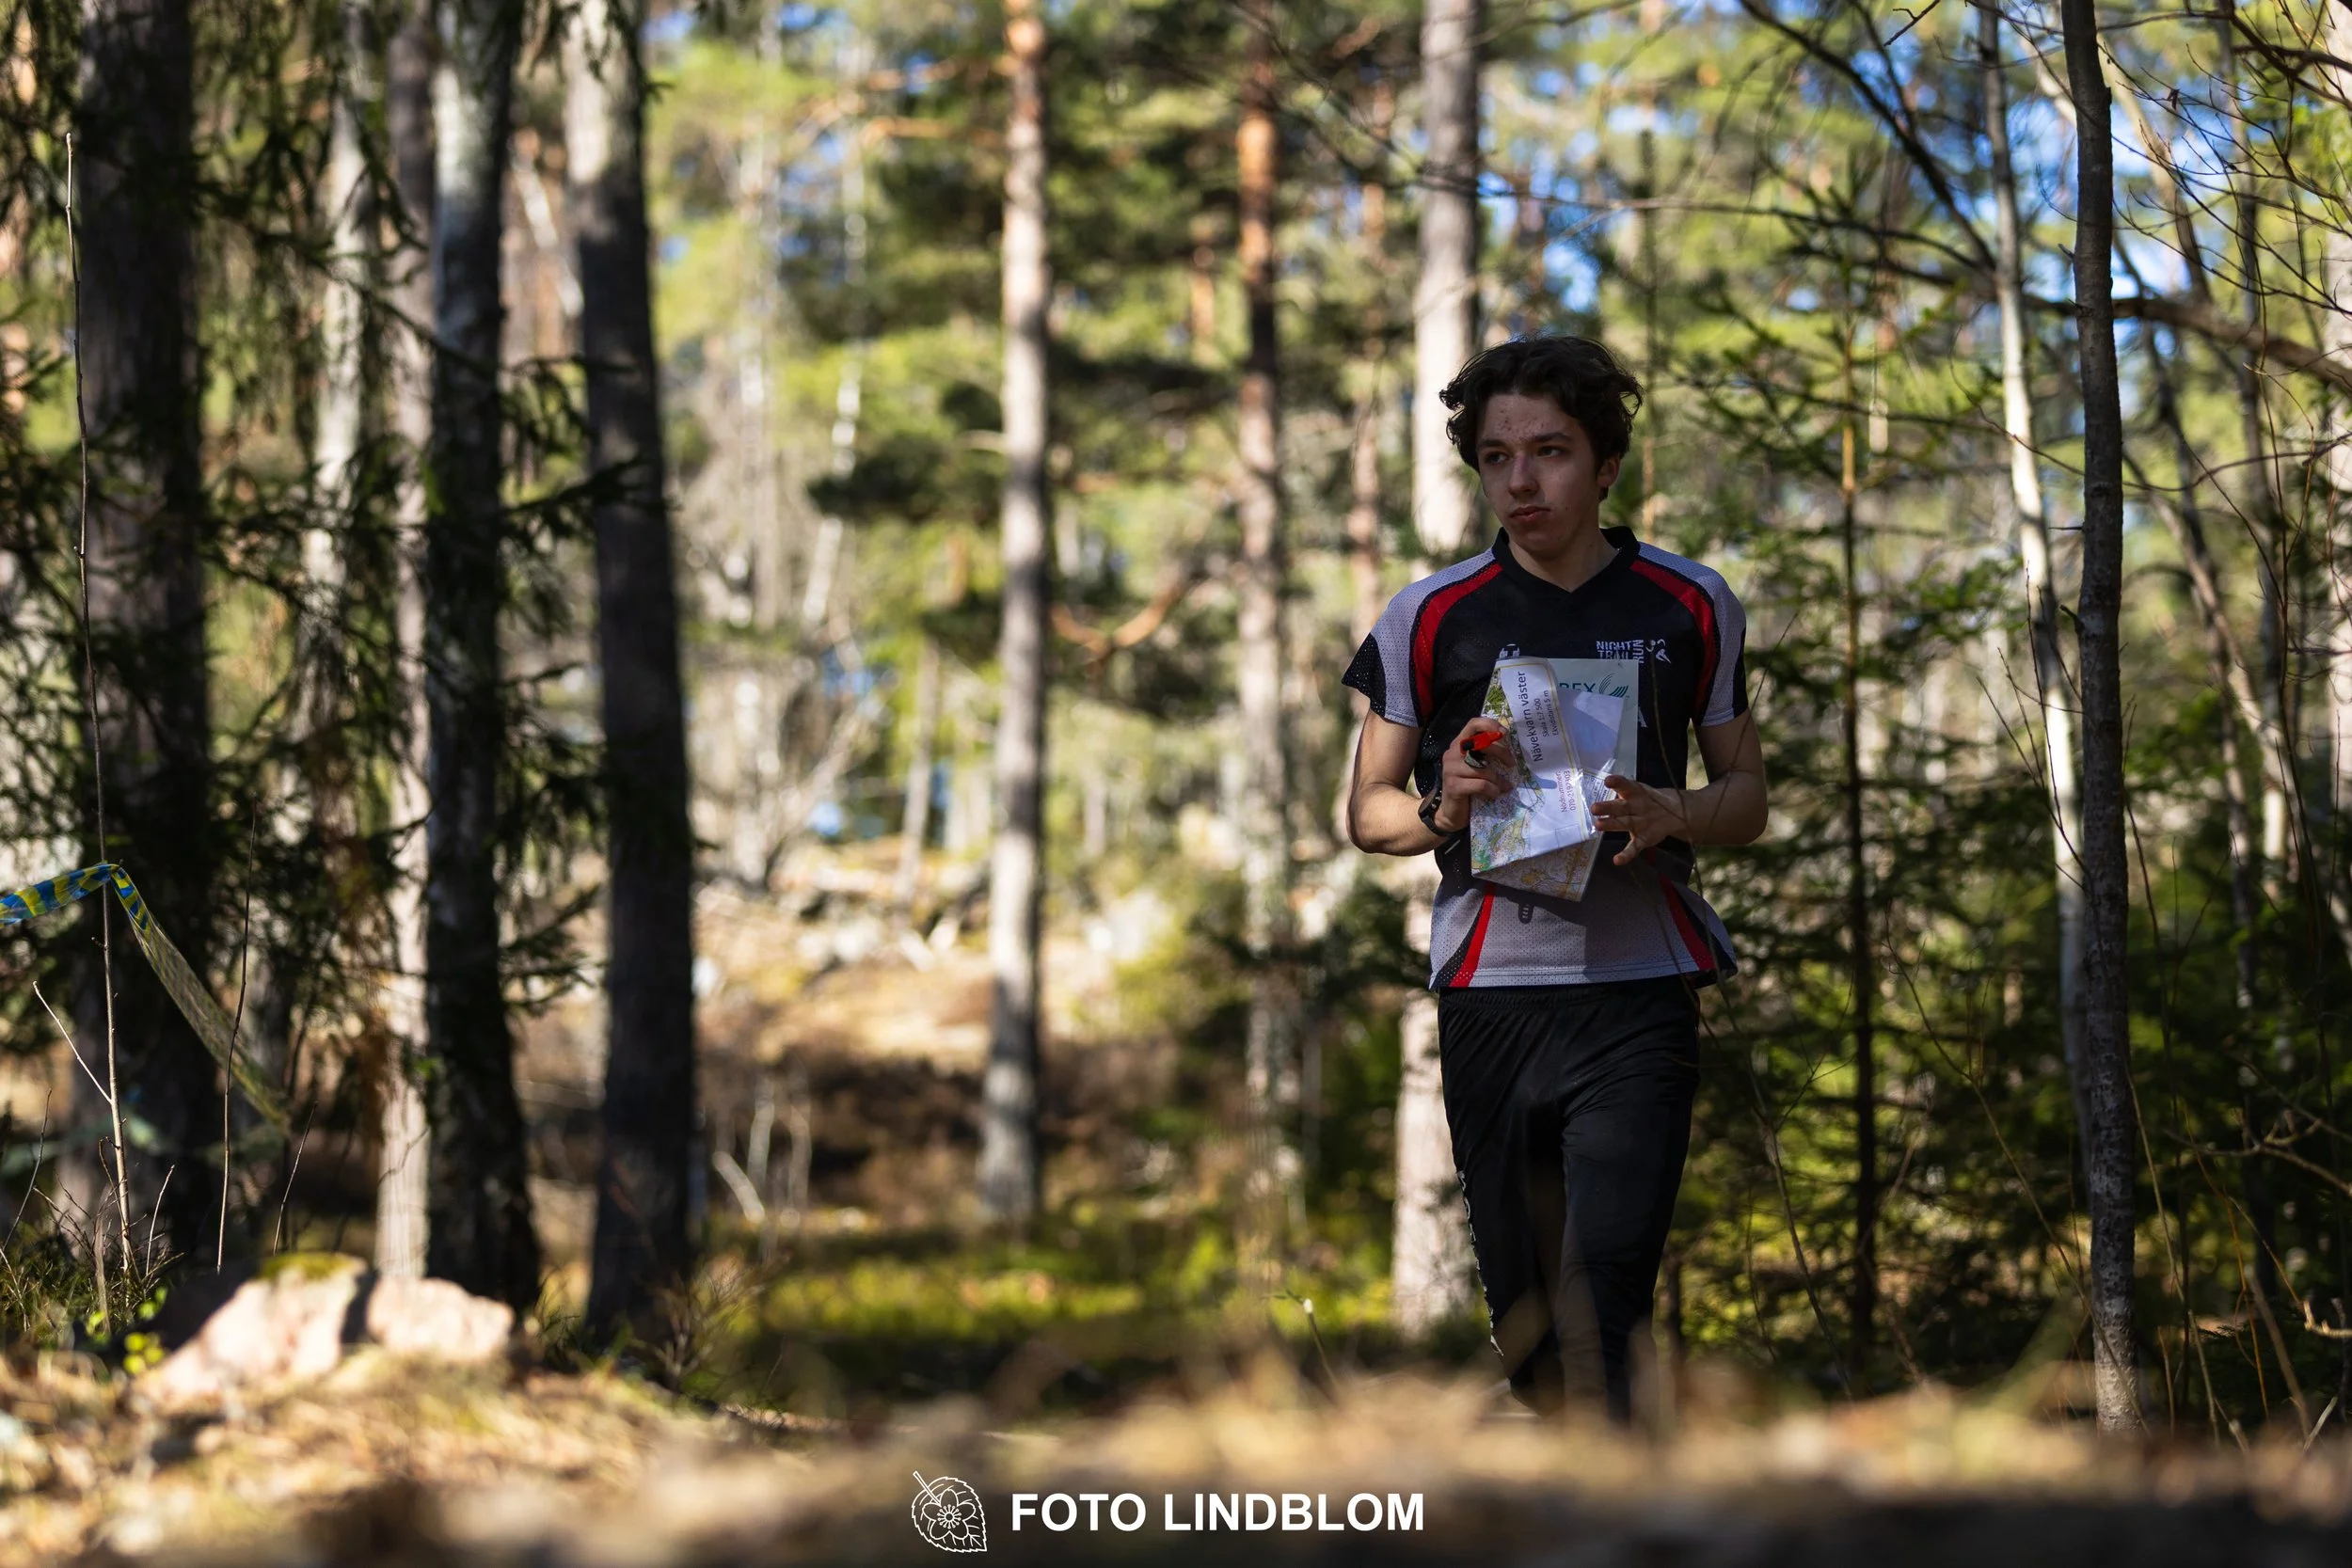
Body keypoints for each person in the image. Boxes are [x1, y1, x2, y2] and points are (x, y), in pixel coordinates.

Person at [1342, 335, 1767, 1420]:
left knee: (1603, 1305)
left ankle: (1624, 1518)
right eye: (1495, 457)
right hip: (1493, 991)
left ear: (1606, 461)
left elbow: (1746, 798)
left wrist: (1676, 809)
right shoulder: (1430, 613)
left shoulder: (1689, 601)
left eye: (1550, 451)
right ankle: (1560, 1481)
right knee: (1529, 1330)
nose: (1521, 480)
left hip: (1639, 986)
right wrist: (1447, 803)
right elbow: (1368, 813)